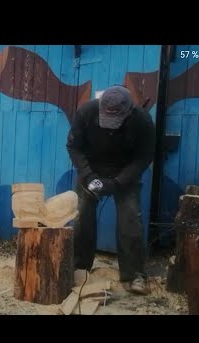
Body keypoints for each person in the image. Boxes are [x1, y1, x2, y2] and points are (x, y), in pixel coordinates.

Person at [66, 85, 156, 295]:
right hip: (92, 171)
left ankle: (134, 275)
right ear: (101, 107)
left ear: (129, 111)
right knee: (81, 217)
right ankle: (79, 268)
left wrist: (118, 182)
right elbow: (74, 146)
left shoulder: (142, 121)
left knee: (130, 218)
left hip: (125, 173)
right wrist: (88, 176)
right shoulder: (86, 112)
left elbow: (144, 157)